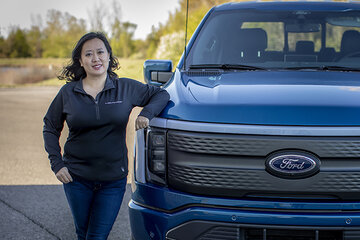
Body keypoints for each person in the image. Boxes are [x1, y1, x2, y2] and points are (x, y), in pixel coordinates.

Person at [43, 32, 169, 240]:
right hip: (76, 179)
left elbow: (161, 94)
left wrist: (146, 114)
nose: (96, 58)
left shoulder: (125, 88)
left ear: (109, 56)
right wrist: (56, 163)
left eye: (100, 52)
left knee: (96, 236)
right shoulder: (68, 93)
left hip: (112, 181)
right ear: (80, 61)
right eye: (89, 54)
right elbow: (50, 126)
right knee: (83, 233)